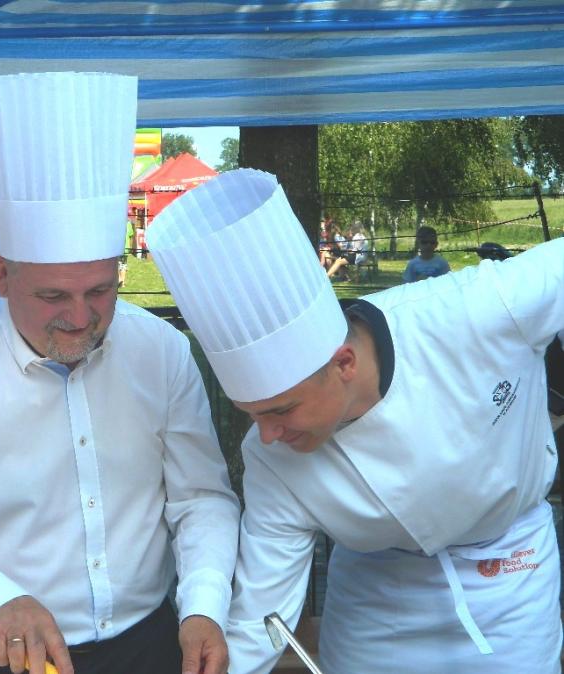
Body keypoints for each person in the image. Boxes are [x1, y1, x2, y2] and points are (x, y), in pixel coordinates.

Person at [0, 72, 239, 674]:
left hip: (149, 647)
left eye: (100, 291)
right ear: (2, 275)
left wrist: (204, 606)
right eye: (53, 295)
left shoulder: (162, 352)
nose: (80, 318)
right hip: (0, 655)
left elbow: (200, 498)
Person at [147, 169, 563, 673]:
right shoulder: (270, 457)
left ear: (344, 363)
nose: (268, 435)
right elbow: (263, 612)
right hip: (377, 602)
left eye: (281, 410)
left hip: (511, 572)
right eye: (253, 416)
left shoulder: (476, 309)